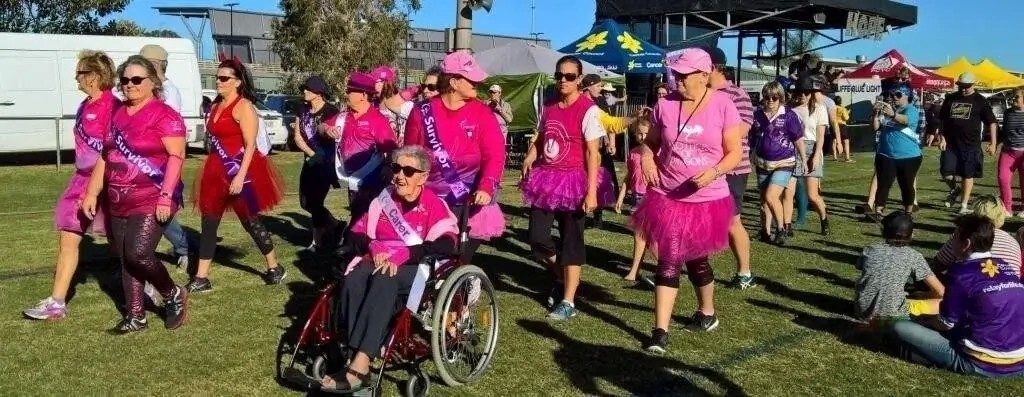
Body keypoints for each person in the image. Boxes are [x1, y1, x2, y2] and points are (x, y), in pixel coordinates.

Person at [319, 146, 460, 393]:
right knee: (354, 278)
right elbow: (356, 234)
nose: (399, 175)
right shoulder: (382, 200)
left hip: (417, 266)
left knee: (385, 278)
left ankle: (360, 366)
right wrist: (372, 245)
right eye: (396, 168)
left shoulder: (434, 205)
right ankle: (357, 355)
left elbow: (448, 243)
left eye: (408, 170)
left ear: (423, 177)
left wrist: (409, 253)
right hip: (377, 258)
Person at [633, 48, 744, 352]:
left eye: (684, 75)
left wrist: (715, 171)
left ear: (704, 76)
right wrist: (646, 156)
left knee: (697, 259)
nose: (676, 80)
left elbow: (734, 151)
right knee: (669, 258)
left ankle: (707, 312)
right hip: (668, 195)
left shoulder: (723, 105)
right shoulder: (664, 105)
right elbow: (651, 143)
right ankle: (660, 332)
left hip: (708, 198)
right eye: (675, 74)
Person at [80, 55, 188, 332]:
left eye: (137, 79)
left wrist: (166, 196)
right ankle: (135, 315)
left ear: (152, 82)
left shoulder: (165, 115)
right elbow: (106, 155)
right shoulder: (115, 114)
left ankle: (172, 293)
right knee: (125, 257)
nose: (130, 85)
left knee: (138, 253)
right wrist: (92, 192)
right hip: (118, 197)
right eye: (125, 80)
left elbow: (176, 156)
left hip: (152, 195)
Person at [23, 50, 120, 321]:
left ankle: (148, 286)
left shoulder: (112, 107)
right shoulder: (85, 105)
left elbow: (109, 152)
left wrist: (94, 189)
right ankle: (57, 303)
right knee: (68, 236)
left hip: (104, 181)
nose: (75, 78)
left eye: (79, 73)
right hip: (81, 179)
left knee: (121, 242)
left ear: (94, 77)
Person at [521, 55, 613, 321]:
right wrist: (530, 154)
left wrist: (592, 191)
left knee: (572, 242)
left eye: (570, 76)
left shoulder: (589, 110)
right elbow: (540, 135)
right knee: (537, 238)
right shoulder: (548, 106)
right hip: (547, 180)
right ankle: (562, 277)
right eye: (559, 75)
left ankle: (568, 301)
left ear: (580, 80)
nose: (563, 80)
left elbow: (592, 154)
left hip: (575, 181)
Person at [188, 59, 286, 292]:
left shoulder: (244, 107)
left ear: (238, 82)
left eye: (224, 78)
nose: (218, 81)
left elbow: (250, 145)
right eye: (217, 77)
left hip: (241, 170)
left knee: (250, 221)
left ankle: (274, 267)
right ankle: (201, 277)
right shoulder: (215, 106)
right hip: (215, 171)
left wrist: (240, 177)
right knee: (209, 223)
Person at [404, 50, 506, 264]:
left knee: (455, 255)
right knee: (422, 253)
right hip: (428, 198)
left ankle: (460, 286)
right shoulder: (421, 112)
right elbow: (411, 154)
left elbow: (495, 154)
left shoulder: (483, 113)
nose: (477, 83)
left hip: (467, 199)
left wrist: (487, 186)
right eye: (471, 79)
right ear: (453, 82)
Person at [893, 215, 1024, 378]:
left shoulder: (961, 272)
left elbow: (945, 323)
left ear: (966, 244)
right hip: (1019, 361)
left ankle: (914, 353)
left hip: (983, 363)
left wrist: (921, 320)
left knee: (900, 327)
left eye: (954, 237)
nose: (952, 242)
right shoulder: (1005, 266)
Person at [703, 47, 755, 290]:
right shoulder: (700, 95)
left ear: (713, 67)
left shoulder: (737, 94)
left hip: (732, 169)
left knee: (733, 221)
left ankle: (744, 273)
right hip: (704, 168)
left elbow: (742, 129)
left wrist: (708, 139)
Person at [323, 72, 399, 235]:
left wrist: (388, 169)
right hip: (351, 182)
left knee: (365, 218)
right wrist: (326, 130)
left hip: (371, 184)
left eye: (351, 90)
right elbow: (321, 127)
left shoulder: (377, 120)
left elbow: (392, 150)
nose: (347, 94)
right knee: (357, 215)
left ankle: (357, 247)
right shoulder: (344, 116)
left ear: (363, 95)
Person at [141, 44, 189, 268]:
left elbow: (167, 128)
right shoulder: (147, 88)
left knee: (162, 211)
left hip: (162, 162)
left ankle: (183, 247)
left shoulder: (170, 91)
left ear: (155, 65)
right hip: (142, 159)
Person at [855, 211, 944, 330]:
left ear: (883, 232)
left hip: (862, 310)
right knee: (942, 302)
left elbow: (860, 266)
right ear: (911, 235)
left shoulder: (869, 250)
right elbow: (941, 292)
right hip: (894, 316)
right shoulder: (914, 256)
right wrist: (923, 295)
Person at [750, 81, 805, 246]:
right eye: (767, 97)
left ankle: (781, 229)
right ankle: (765, 232)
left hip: (784, 162)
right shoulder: (757, 115)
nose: (770, 101)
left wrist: (804, 158)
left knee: (771, 196)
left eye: (774, 97)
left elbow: (798, 139)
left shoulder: (788, 115)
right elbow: (751, 139)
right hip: (762, 163)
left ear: (780, 98)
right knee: (763, 202)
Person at [293, 75, 341, 252]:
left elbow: (336, 136)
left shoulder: (331, 111)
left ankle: (317, 241)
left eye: (308, 89)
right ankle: (335, 225)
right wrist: (312, 154)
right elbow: (297, 136)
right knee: (305, 202)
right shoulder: (302, 108)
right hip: (311, 159)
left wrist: (322, 157)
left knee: (315, 201)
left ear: (319, 93)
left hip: (326, 162)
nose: (304, 91)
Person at [940, 72, 998, 214]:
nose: (963, 89)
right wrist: (942, 137)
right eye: (961, 86)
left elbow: (992, 122)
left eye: (966, 86)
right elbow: (942, 120)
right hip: (951, 144)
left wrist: (993, 143)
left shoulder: (980, 101)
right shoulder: (950, 98)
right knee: (946, 173)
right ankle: (955, 188)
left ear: (973, 84)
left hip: (971, 145)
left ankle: (964, 205)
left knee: (967, 175)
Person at [784, 74, 830, 236]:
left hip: (812, 149)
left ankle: (824, 218)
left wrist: (817, 155)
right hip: (792, 149)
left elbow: (821, 136)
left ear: (811, 93)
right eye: (799, 92)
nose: (802, 96)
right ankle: (786, 225)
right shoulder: (790, 109)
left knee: (812, 194)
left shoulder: (819, 109)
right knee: (788, 192)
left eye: (806, 92)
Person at [934, 196, 1022, 278]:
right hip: (1012, 288)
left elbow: (940, 263)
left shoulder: (966, 234)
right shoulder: (1013, 241)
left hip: (973, 287)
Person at [871, 84, 922, 215]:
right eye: (893, 95)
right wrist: (875, 113)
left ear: (907, 97)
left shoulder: (911, 109)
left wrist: (893, 114)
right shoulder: (889, 109)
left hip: (908, 156)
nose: (894, 97)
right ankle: (878, 211)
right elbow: (875, 127)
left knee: (906, 185)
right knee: (883, 184)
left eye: (898, 95)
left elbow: (905, 121)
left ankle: (908, 212)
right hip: (885, 154)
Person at [615, 120, 654, 284]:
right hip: (637, 198)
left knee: (649, 238)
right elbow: (628, 178)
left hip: (652, 198)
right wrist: (621, 197)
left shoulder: (654, 153)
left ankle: (671, 266)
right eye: (639, 133)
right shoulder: (633, 153)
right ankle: (635, 270)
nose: (642, 136)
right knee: (640, 236)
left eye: (646, 133)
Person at [997, 89, 1024, 216]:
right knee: (1003, 178)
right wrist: (996, 143)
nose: (1013, 99)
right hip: (1008, 152)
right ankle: (1007, 208)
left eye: (1017, 97)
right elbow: (1004, 131)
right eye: (1013, 97)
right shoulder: (1007, 113)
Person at [372, 65, 414, 144]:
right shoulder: (373, 106)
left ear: (385, 82)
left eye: (375, 82)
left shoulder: (408, 106)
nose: (373, 86)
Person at [834, 96, 852, 162]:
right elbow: (846, 118)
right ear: (840, 101)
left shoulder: (832, 108)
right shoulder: (842, 108)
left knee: (834, 141)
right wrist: (848, 112)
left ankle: (835, 156)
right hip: (842, 125)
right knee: (846, 141)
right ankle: (847, 158)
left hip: (834, 125)